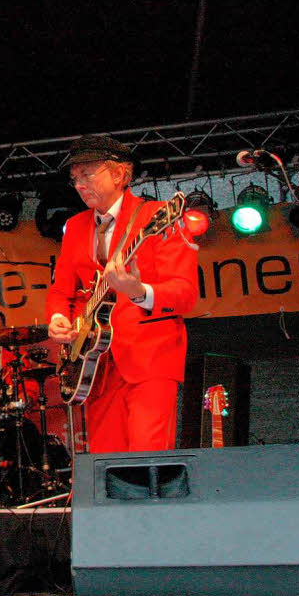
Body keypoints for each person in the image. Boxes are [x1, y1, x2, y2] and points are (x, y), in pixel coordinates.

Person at [46, 134, 198, 453]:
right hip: (95, 364)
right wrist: (60, 318)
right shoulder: (75, 227)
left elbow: (185, 294)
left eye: (87, 174)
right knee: (106, 464)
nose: (79, 184)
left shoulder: (157, 217)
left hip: (149, 356)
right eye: (75, 178)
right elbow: (62, 290)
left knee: (148, 457)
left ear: (119, 174)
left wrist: (139, 291)